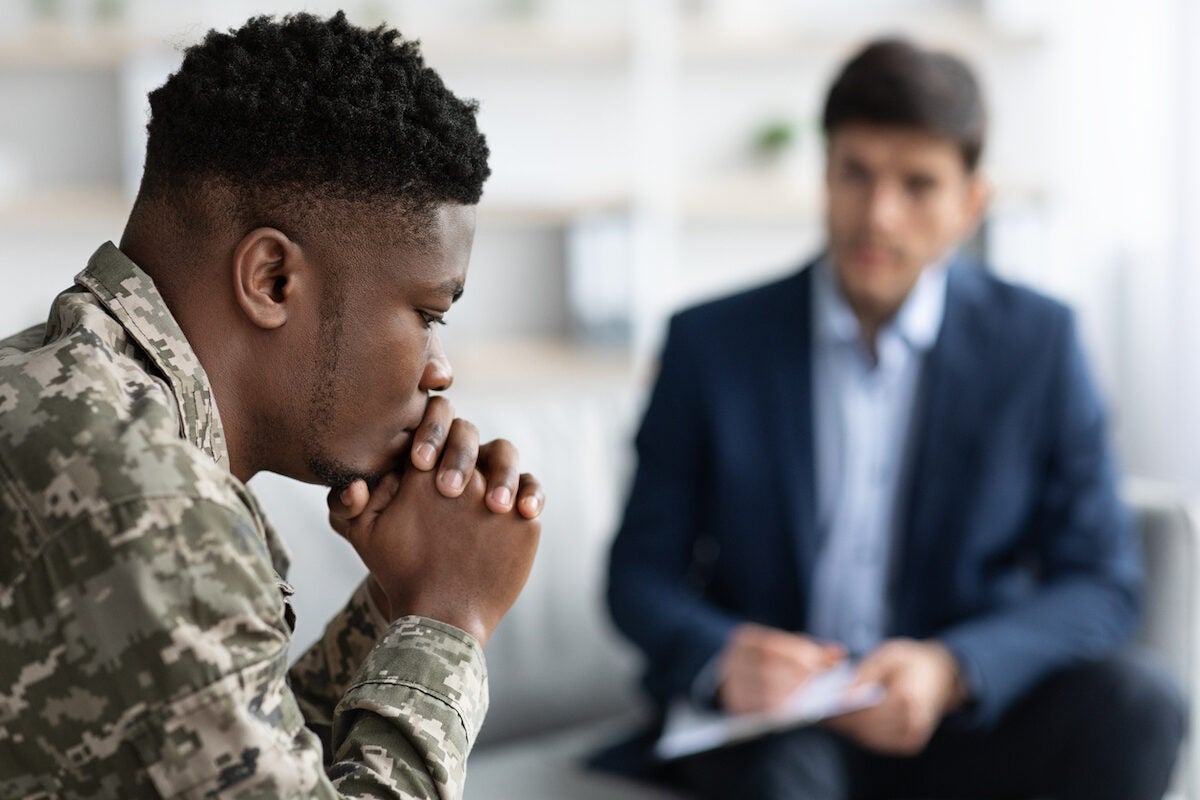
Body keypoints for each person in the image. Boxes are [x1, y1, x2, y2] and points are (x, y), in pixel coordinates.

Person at [606, 38, 1186, 800]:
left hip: (964, 712)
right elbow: (638, 574)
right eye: (856, 174)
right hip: (785, 729)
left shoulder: (1040, 343)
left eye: (917, 184)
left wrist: (954, 670)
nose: (878, 215)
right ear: (824, 172)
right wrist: (727, 657)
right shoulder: (709, 343)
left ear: (970, 202)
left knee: (1142, 703)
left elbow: (1103, 581)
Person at [0, 12, 544, 799]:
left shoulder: (59, 391)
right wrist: (449, 623)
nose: (439, 371)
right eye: (429, 315)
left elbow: (233, 761)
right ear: (272, 281)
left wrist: (400, 601)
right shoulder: (147, 501)